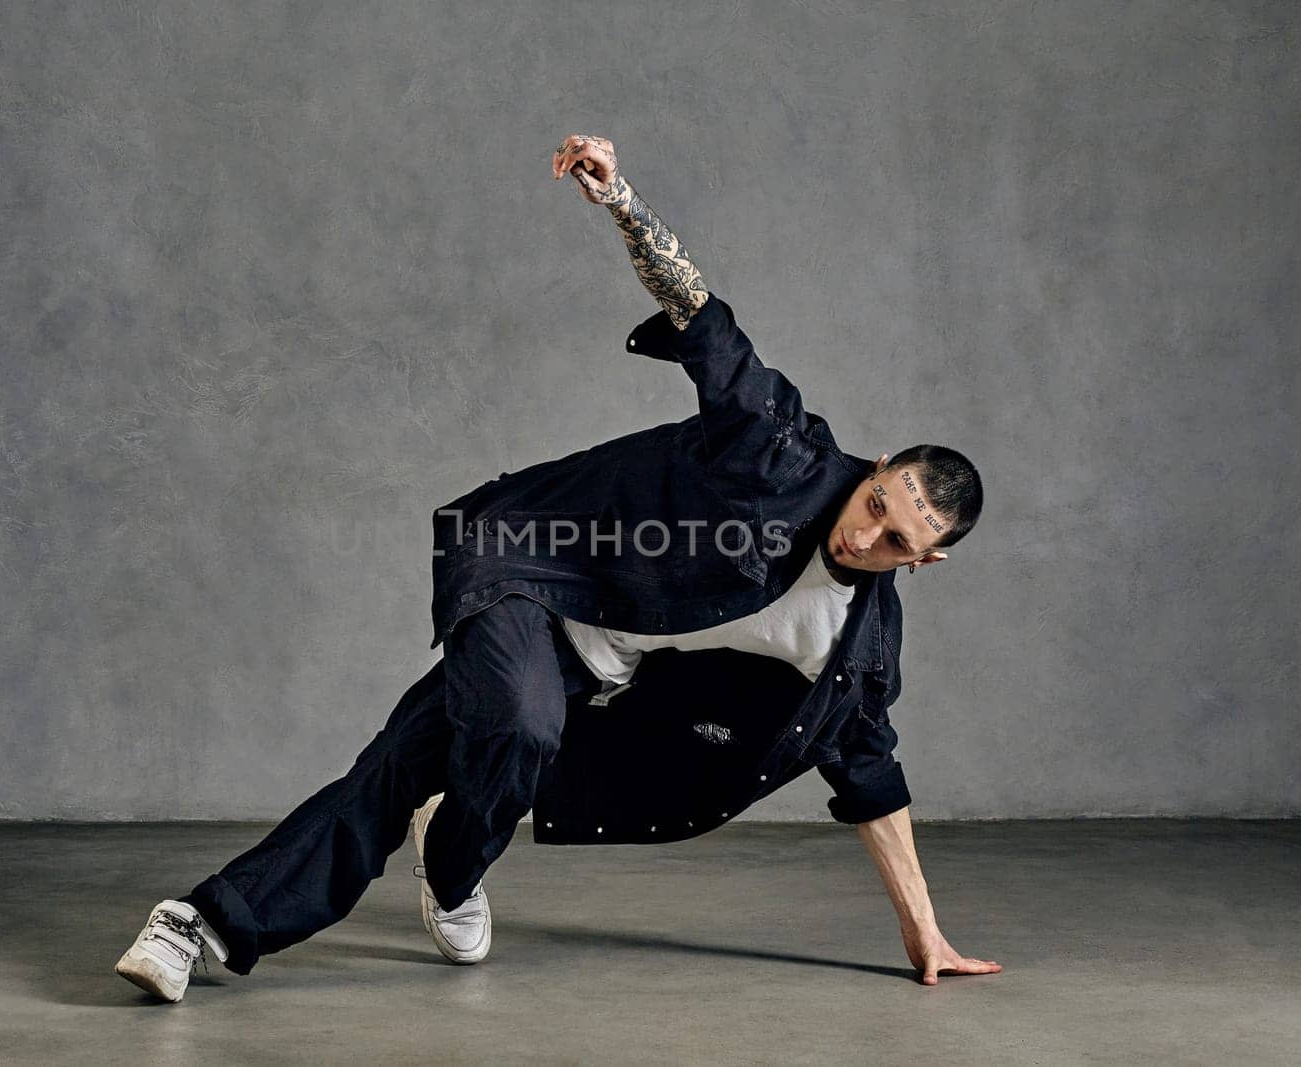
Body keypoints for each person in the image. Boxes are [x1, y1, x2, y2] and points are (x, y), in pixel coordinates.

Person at [116, 133, 1002, 1002]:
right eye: (877, 501)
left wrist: (924, 931)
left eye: (895, 541)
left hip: (590, 657)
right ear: (879, 467)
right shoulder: (778, 453)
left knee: (397, 767)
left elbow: (870, 774)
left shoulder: (857, 645)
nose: (865, 534)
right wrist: (623, 203)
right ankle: (202, 925)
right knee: (523, 725)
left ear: (926, 562)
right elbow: (706, 322)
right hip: (526, 556)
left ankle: (395, 878)